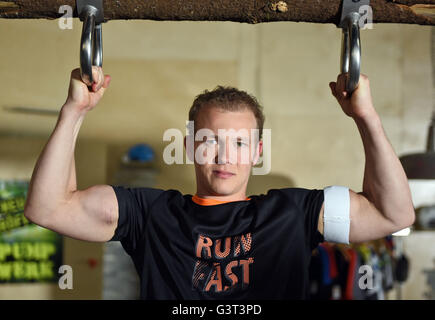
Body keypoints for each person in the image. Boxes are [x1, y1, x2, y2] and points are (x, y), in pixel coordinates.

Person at [23, 67, 415, 299]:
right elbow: (49, 206)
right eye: (210, 141)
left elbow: (392, 213)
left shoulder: (294, 214)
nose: (225, 157)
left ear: (258, 151)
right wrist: (74, 112)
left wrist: (365, 116)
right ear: (192, 145)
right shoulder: (150, 214)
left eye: (240, 143)